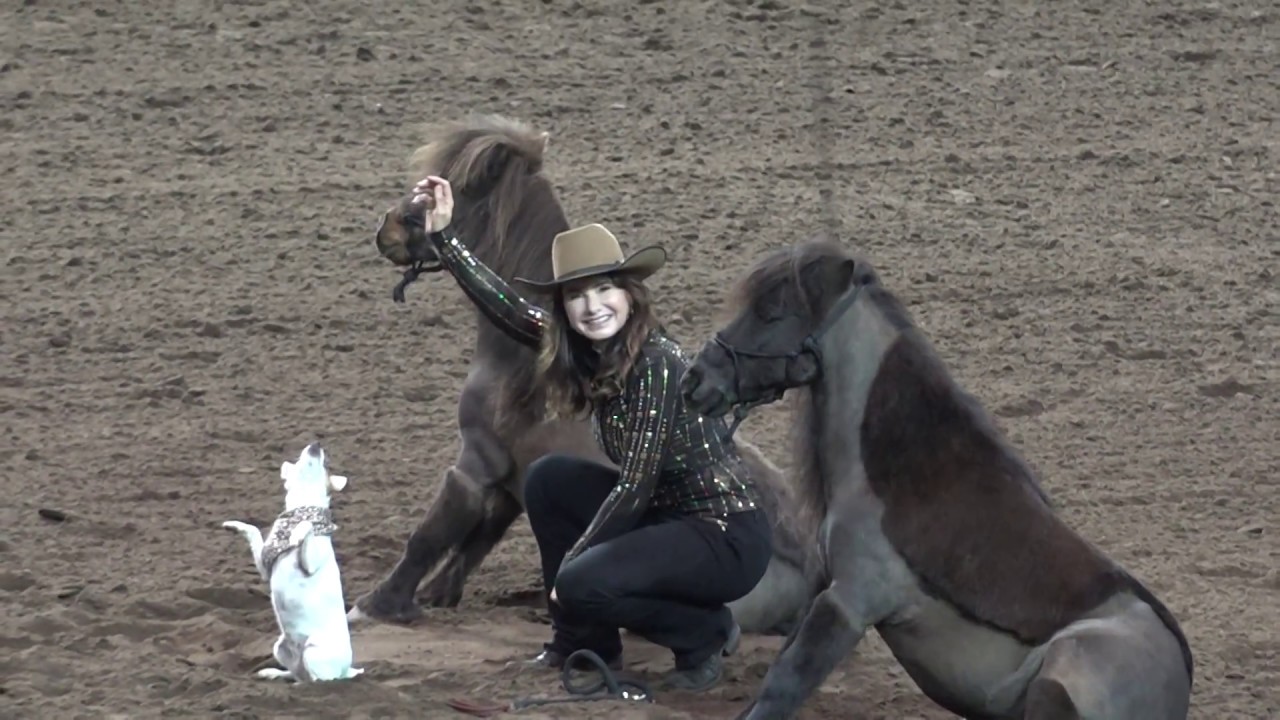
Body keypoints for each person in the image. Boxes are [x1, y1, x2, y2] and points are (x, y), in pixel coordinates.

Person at [405, 175, 773, 691]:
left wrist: (571, 572)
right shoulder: (588, 352)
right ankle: (582, 645)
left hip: (724, 534)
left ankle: (702, 634)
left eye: (605, 289)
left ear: (629, 295)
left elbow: (636, 485)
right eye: (576, 295)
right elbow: (508, 310)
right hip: (668, 518)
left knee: (581, 582)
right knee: (550, 479)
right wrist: (445, 240)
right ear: (564, 309)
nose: (592, 305)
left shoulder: (657, 365)